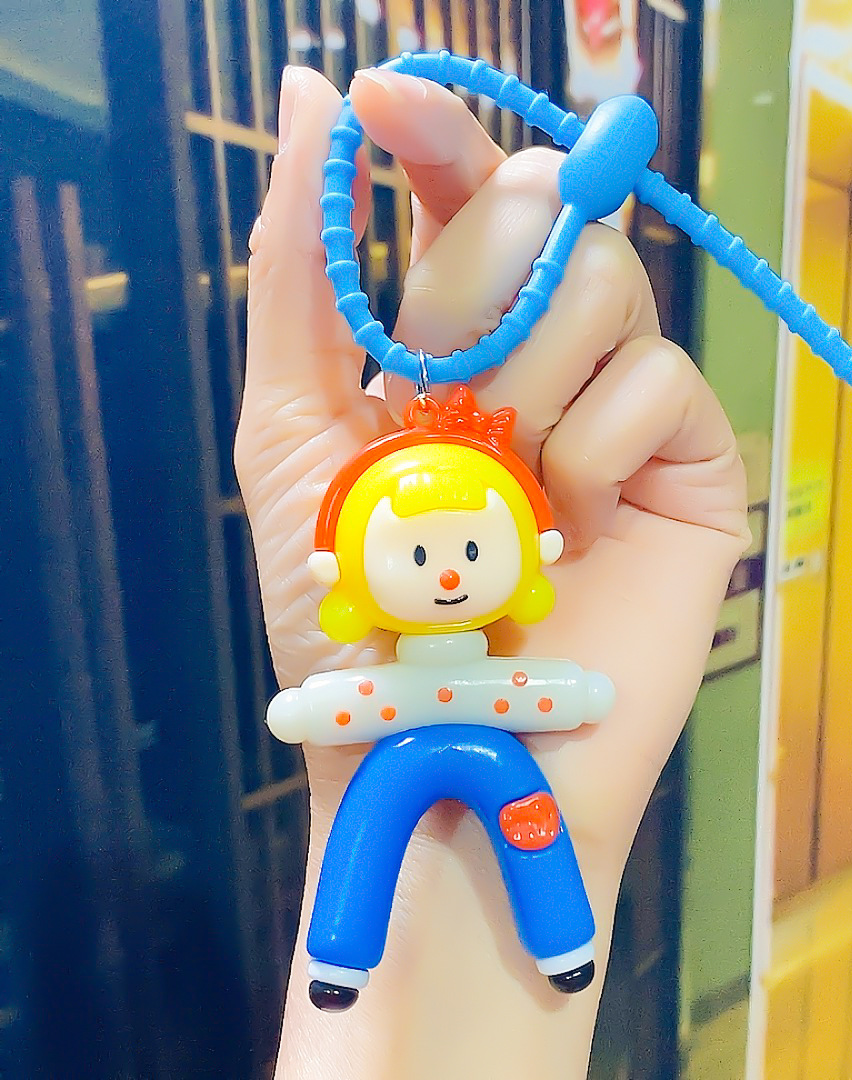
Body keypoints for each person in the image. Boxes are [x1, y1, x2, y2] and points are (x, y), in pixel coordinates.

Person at [235, 63, 748, 1079]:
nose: (448, 574)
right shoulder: (379, 681)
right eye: (420, 553)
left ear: (530, 554)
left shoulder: (506, 669)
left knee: (520, 813)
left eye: (471, 551)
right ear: (351, 563)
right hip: (399, 755)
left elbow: (554, 695)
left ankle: (559, 939)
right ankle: (344, 958)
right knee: (375, 820)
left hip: (486, 751)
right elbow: (340, 709)